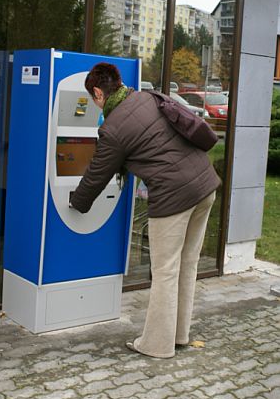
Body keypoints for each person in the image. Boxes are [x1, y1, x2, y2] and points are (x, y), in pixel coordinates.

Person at [70, 62, 221, 358]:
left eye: (92, 99)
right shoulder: (148, 97)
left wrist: (77, 202)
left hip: (174, 196)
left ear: (99, 93)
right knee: (187, 264)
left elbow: (97, 174)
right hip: (204, 185)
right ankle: (179, 335)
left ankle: (157, 345)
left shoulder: (112, 129)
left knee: (165, 270)